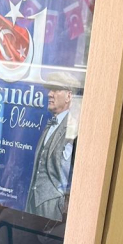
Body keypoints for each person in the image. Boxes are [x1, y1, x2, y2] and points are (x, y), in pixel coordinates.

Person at [25, 79, 78, 221]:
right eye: (50, 90)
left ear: (69, 96)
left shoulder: (73, 127)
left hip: (53, 205)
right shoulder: (49, 124)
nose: (49, 94)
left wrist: (63, 203)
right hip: (33, 201)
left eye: (56, 90)